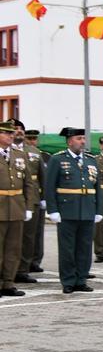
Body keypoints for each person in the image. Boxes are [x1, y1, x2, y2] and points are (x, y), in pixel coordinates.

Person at [44, 127, 103, 294]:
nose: (83, 142)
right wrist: (53, 210)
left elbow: (97, 187)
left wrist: (98, 209)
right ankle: (68, 280)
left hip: (87, 209)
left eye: (83, 138)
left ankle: (81, 279)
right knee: (67, 249)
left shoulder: (91, 160)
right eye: (79, 138)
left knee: (84, 248)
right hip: (67, 211)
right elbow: (49, 187)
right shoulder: (58, 159)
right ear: (70, 141)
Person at [0, 120, 37, 297]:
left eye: (11, 133)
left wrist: (29, 206)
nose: (10, 136)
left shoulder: (19, 155)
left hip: (16, 207)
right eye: (6, 133)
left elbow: (29, 183)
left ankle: (8, 283)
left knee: (13, 248)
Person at [13, 123, 46, 278]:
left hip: (31, 198)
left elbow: (42, 176)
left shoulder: (33, 151)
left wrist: (44, 197)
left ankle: (23, 270)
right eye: (15, 129)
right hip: (10, 198)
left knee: (29, 236)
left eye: (21, 129)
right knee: (10, 238)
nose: (19, 131)